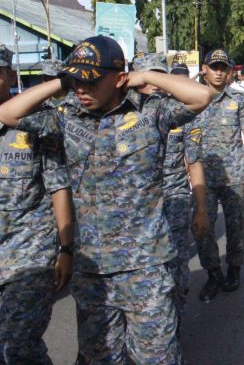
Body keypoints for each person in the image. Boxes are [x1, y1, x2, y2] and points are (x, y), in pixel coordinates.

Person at [0, 36, 213, 363]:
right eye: (77, 80)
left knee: (156, 358)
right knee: (101, 358)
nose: (81, 89)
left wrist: (147, 77)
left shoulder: (151, 112)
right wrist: (61, 81)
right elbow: (9, 113)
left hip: (145, 268)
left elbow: (201, 96)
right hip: (94, 273)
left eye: (91, 80)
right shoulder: (65, 117)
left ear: (118, 78)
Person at [0, 45, 74, 364]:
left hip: (28, 250)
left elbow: (58, 185)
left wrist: (66, 249)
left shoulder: (38, 121)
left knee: (16, 345)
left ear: (9, 75)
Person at [132, 53, 209, 326]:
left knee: (176, 275)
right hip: (136, 210)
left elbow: (194, 163)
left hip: (174, 203)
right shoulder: (120, 115)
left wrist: (201, 209)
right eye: (145, 76)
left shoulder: (177, 113)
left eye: (157, 76)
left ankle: (171, 331)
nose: (151, 84)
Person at [195, 49, 244, 303]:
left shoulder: (239, 98)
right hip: (202, 177)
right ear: (204, 69)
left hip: (233, 174)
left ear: (230, 71)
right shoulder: (191, 98)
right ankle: (213, 273)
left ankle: (234, 269)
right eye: (214, 67)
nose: (219, 72)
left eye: (223, 68)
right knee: (202, 228)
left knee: (235, 226)